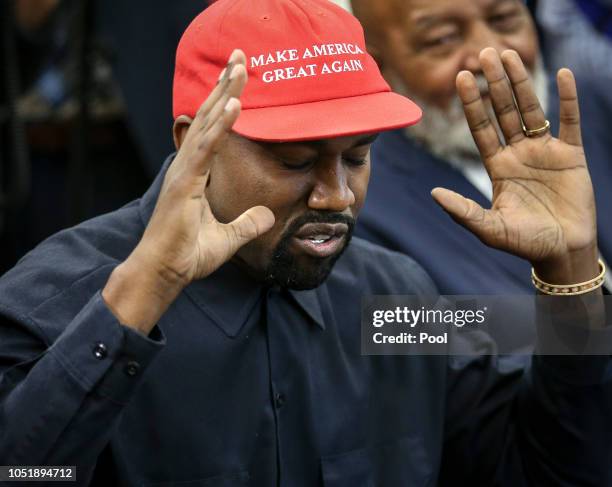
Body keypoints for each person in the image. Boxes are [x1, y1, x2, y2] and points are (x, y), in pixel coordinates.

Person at [0, 0, 610, 485]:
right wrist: (135, 305)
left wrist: (569, 278)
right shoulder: (57, 298)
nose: (336, 195)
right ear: (195, 142)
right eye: (294, 160)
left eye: (358, 157)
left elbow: (545, 465)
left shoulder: (390, 300)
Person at [352, 0, 612, 294]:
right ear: (378, 65)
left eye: (504, 20)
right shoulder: (359, 209)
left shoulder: (596, 105)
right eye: (443, 39)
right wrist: (567, 273)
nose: (491, 55)